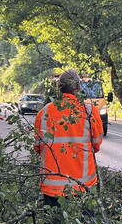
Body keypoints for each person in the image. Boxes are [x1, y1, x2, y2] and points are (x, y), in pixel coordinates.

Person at [34, 68, 104, 207]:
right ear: (78, 87)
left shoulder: (44, 112)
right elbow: (96, 144)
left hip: (51, 187)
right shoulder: (88, 111)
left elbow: (38, 147)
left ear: (59, 88)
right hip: (82, 185)